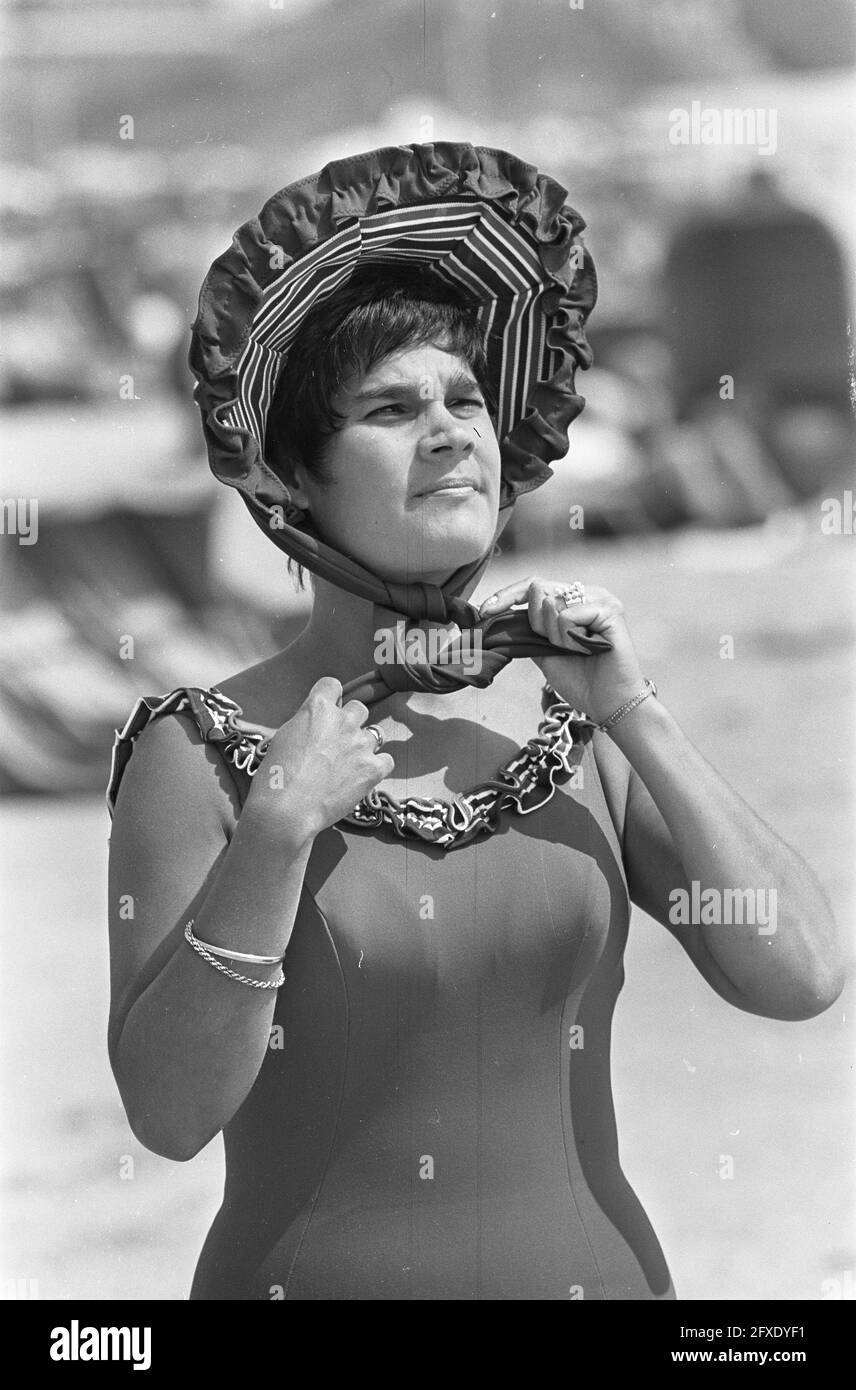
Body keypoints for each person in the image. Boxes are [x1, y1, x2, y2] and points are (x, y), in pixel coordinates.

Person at [106, 143, 843, 1301]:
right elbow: (168, 1114)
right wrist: (274, 836)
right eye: (391, 409)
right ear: (291, 474)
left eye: (465, 402)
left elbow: (800, 975)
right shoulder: (202, 749)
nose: (450, 431)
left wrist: (637, 715)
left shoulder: (574, 718)